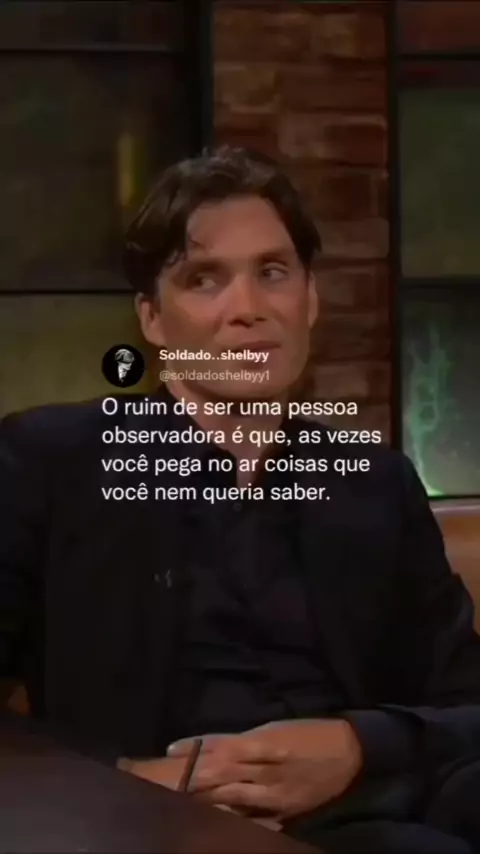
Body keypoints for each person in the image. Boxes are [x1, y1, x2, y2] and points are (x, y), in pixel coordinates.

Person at [1, 146, 480, 853]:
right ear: (152, 319)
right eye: (204, 280)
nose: (248, 310)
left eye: (273, 273)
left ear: (309, 300)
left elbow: (465, 702)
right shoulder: (49, 462)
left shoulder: (375, 481)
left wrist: (356, 744)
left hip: (375, 809)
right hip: (143, 823)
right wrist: (124, 778)